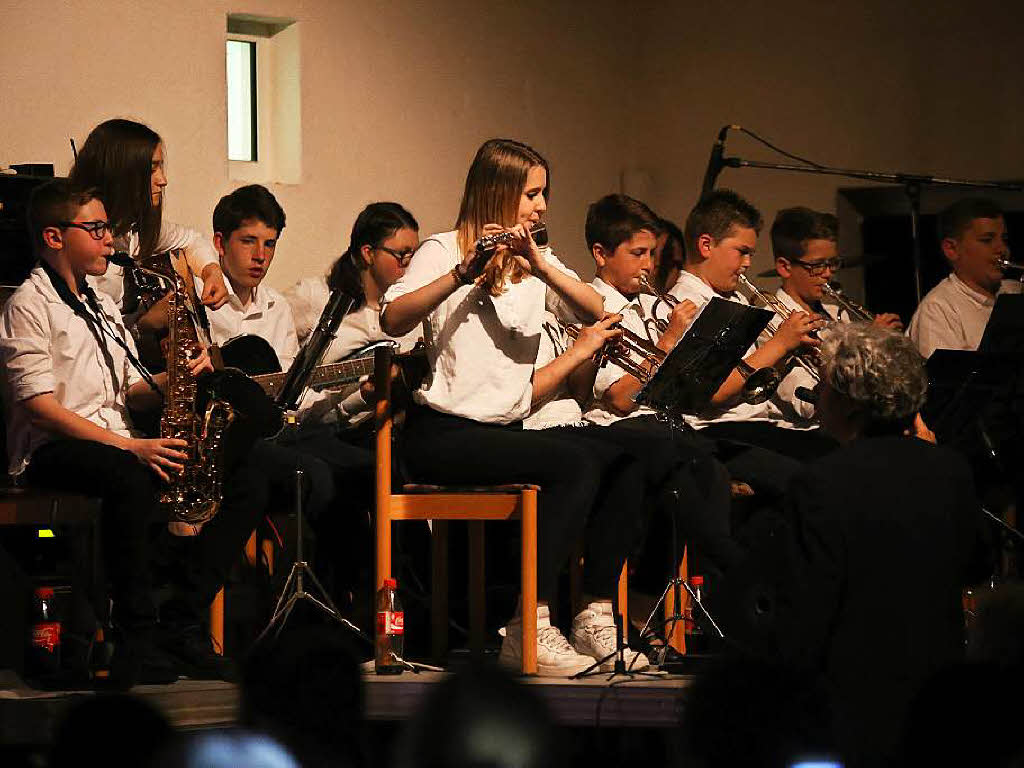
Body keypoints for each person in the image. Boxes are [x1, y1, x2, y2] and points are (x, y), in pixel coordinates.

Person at [381, 138, 642, 676]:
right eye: (532, 194)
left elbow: (600, 307)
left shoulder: (532, 262)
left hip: (506, 431)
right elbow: (392, 318)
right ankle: (531, 623)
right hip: (444, 435)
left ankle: (594, 614)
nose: (542, 206)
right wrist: (463, 274)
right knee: (574, 463)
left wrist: (540, 265)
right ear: (498, 193)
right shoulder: (444, 248)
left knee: (633, 452)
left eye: (544, 194)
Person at [0, 180, 209, 685]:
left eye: (107, 229)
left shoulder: (98, 300)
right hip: (52, 450)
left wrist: (178, 376)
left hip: (114, 442)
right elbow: (40, 409)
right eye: (95, 229)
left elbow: (131, 390)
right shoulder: (27, 305)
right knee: (129, 475)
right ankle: (137, 635)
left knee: (228, 469)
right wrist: (133, 447)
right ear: (54, 237)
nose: (109, 241)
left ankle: (184, 622)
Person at [774, 323, 990, 767]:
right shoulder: (950, 469)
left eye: (827, 387)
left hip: (854, 697)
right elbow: (976, 566)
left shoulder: (820, 481)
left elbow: (808, 604)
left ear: (851, 403)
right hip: (938, 691)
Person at [667, 190, 837, 474]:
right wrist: (781, 344)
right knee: (816, 468)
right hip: (716, 433)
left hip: (756, 423)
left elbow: (756, 382)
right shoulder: (687, 304)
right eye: (742, 252)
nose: (748, 263)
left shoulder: (735, 299)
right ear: (706, 245)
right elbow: (715, 393)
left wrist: (792, 353)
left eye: (751, 254)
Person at [68, 118, 228, 315]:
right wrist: (141, 327)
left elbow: (192, 239)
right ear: (121, 173)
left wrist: (211, 271)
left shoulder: (133, 227)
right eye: (152, 169)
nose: (163, 180)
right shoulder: (80, 244)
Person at [768, 206, 902, 426]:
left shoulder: (836, 313)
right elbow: (806, 404)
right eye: (817, 265)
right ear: (785, 267)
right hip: (805, 434)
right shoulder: (772, 321)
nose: (828, 273)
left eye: (832, 263)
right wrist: (862, 352)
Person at [908, 196, 1021, 358]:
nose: (1002, 249)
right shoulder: (938, 309)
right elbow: (945, 380)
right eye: (987, 240)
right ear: (951, 249)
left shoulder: (1015, 290)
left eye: (1004, 239)